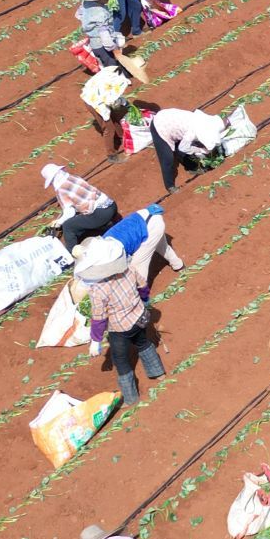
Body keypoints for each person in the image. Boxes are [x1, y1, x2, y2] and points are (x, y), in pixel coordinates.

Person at [73, 236, 165, 406]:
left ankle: (131, 398)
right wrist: (144, 300)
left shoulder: (97, 290)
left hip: (120, 328)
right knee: (143, 343)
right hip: (139, 317)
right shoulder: (129, 269)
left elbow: (99, 318)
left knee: (121, 360)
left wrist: (96, 341)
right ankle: (158, 373)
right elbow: (143, 286)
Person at [43, 163, 117, 253]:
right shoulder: (74, 177)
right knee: (83, 218)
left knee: (68, 226)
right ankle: (104, 227)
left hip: (101, 214)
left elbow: (70, 213)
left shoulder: (61, 190)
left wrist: (58, 223)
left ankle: (72, 253)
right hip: (111, 206)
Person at [101, 202, 183, 281]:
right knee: (160, 245)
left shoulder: (112, 253)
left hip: (151, 225)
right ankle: (178, 265)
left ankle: (141, 293)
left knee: (137, 264)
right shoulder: (103, 242)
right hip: (147, 216)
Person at [148, 107, 225, 191]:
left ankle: (192, 168)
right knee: (168, 158)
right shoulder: (193, 131)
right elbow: (183, 148)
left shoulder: (204, 123)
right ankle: (170, 186)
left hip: (173, 125)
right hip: (159, 126)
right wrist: (200, 150)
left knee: (186, 147)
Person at [77, 0, 127, 73]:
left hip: (94, 44)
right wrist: (114, 49)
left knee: (104, 65)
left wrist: (91, 27)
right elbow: (105, 36)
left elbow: (78, 15)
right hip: (102, 45)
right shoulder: (101, 13)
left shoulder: (86, 4)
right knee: (112, 69)